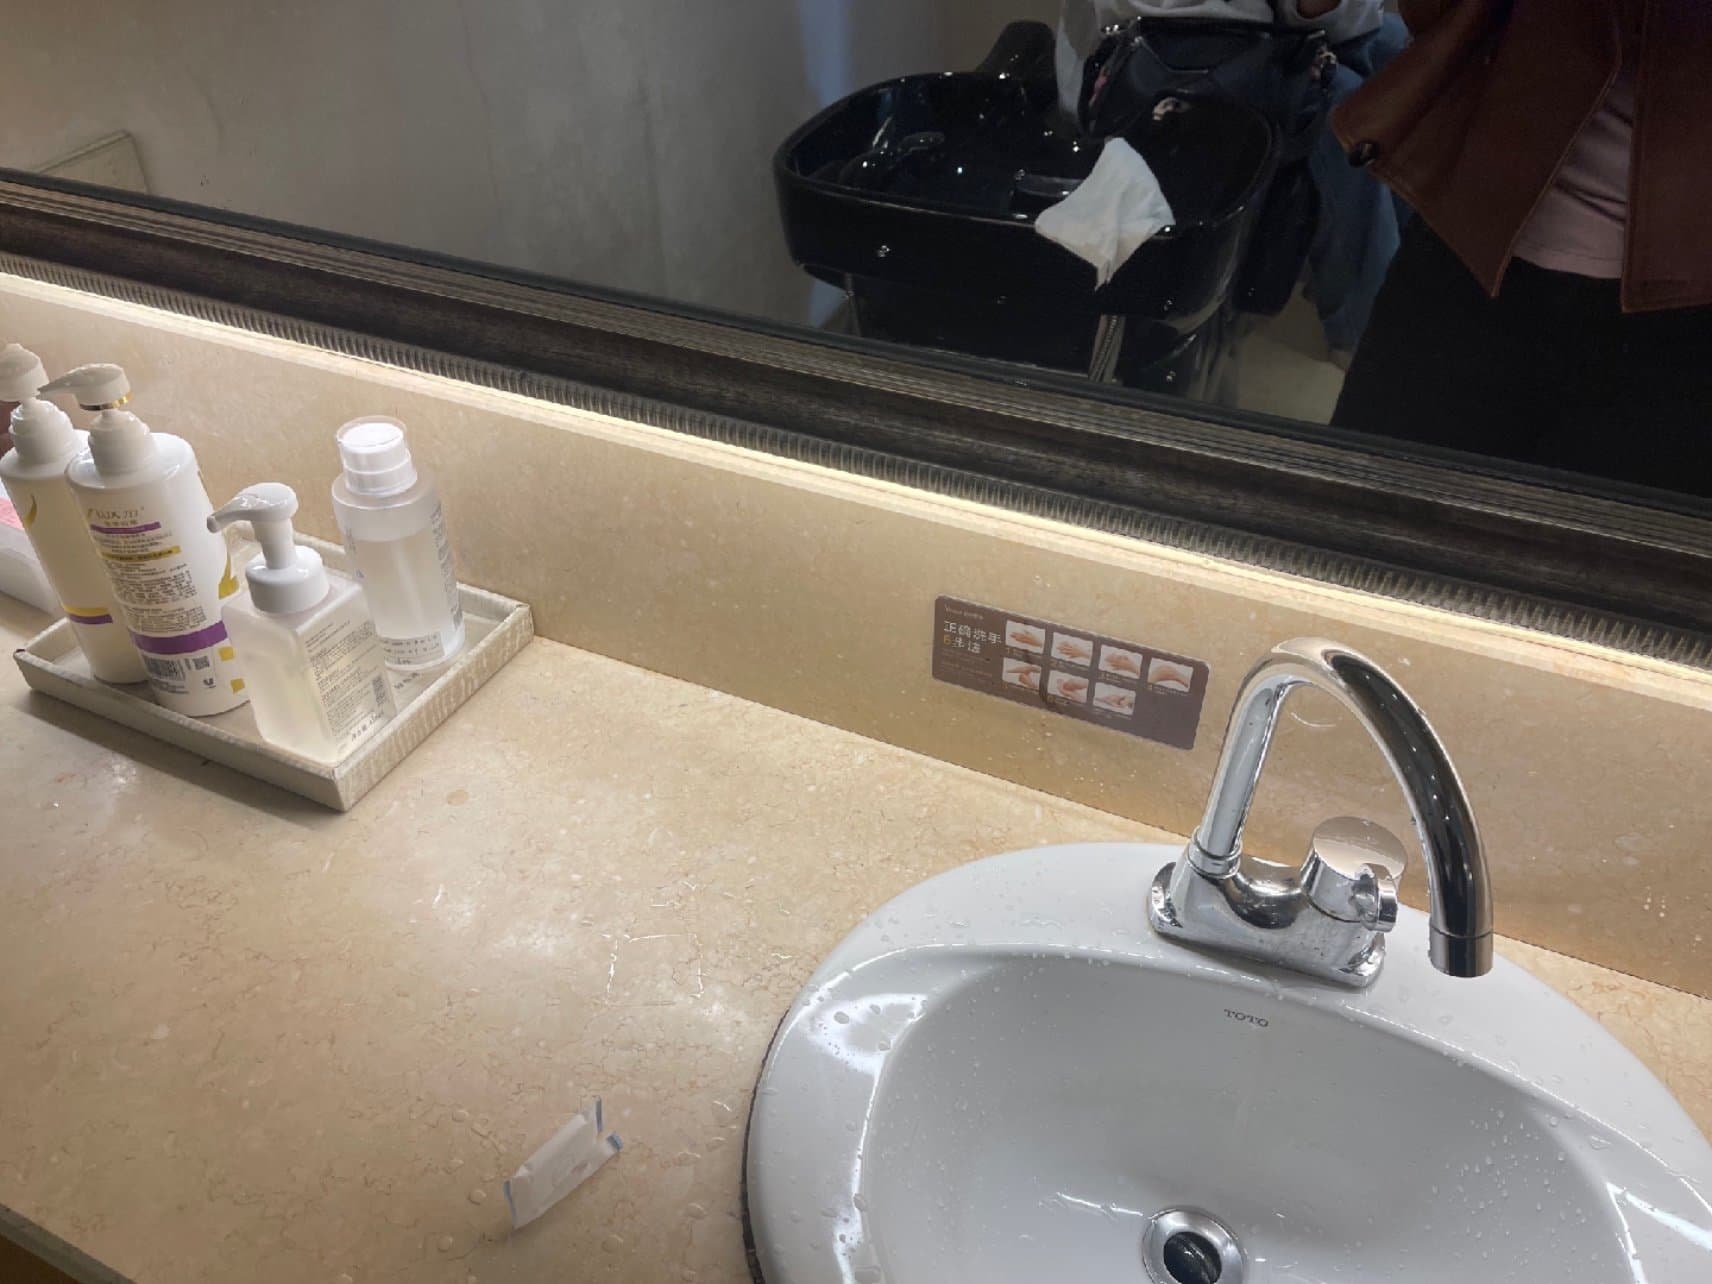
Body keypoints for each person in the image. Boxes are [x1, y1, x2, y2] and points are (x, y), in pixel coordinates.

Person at [1330, 0, 1712, 495]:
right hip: (1475, 238)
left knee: (1609, 540)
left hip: (1685, 313)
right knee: (1357, 513)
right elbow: (1430, 16)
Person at [1055, 2, 1409, 363]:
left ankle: (1389, 279)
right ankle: (1365, 330)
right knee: (1352, 113)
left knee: (1398, 48)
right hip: (1175, 62)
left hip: (1142, 42)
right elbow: (1313, 13)